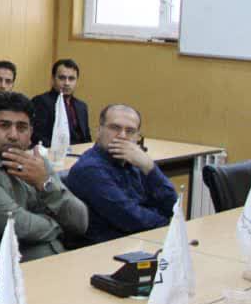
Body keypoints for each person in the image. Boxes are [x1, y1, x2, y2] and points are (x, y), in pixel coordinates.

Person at [0, 91, 88, 274]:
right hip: (0, 279)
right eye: (4, 126)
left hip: (50, 267)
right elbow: (20, 226)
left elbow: (80, 222)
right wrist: (59, 225)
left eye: (21, 127)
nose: (13, 135)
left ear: (31, 133)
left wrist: (45, 183)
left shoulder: (36, 164)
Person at [64, 104, 177, 244]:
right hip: (106, 248)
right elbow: (132, 219)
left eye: (130, 131)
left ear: (138, 137)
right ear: (99, 131)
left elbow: (172, 206)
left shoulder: (135, 161)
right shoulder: (89, 169)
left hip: (140, 240)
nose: (122, 136)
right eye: (114, 128)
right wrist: (165, 220)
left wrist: (149, 167)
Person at [32, 59, 91, 148]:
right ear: (53, 79)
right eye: (62, 78)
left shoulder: (82, 106)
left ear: (76, 81)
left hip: (80, 152)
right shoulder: (41, 102)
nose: (67, 83)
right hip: (53, 152)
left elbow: (87, 138)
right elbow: (37, 137)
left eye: (71, 79)